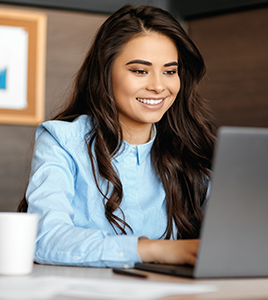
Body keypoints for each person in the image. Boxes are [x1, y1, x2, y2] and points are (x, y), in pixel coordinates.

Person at [18, 4, 215, 268]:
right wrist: (158, 250)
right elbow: (45, 238)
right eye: (139, 71)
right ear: (106, 72)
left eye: (170, 71)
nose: (158, 86)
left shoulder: (193, 148)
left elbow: (235, 235)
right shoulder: (62, 141)